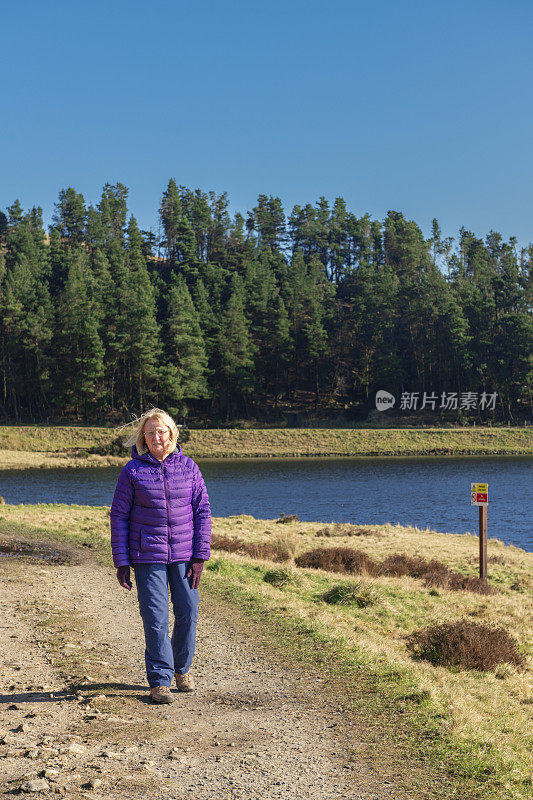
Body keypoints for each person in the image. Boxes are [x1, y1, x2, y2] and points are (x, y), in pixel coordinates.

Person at [110, 408, 211, 704]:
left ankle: (182, 670)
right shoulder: (132, 471)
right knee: (155, 618)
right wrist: (122, 561)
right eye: (151, 432)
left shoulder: (189, 468)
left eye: (162, 431)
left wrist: (199, 556)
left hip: (184, 555)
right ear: (144, 437)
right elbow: (119, 517)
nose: (157, 437)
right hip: (147, 556)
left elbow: (202, 512)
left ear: (172, 433)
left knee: (188, 613)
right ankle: (159, 680)